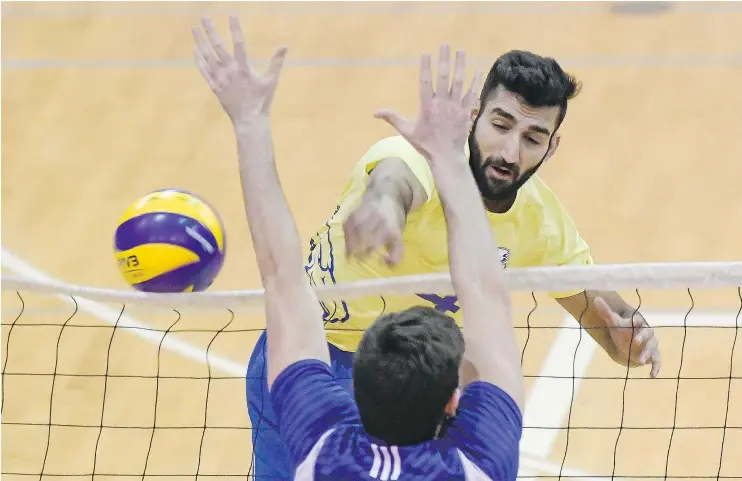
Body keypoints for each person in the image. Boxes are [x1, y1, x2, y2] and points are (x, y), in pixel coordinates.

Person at [245, 40, 663, 480]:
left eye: (531, 138)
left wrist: (630, 338)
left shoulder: (541, 221)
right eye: (500, 125)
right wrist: (385, 208)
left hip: (425, 390)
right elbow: (395, 179)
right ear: (473, 116)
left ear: (552, 146)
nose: (509, 153)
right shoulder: (416, 157)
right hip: (316, 365)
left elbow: (609, 315)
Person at [194, 14, 526, 479]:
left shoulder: (319, 451)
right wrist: (451, 159)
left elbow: (283, 281)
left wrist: (250, 123)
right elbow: (487, 295)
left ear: (353, 393)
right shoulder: (481, 460)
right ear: (454, 402)